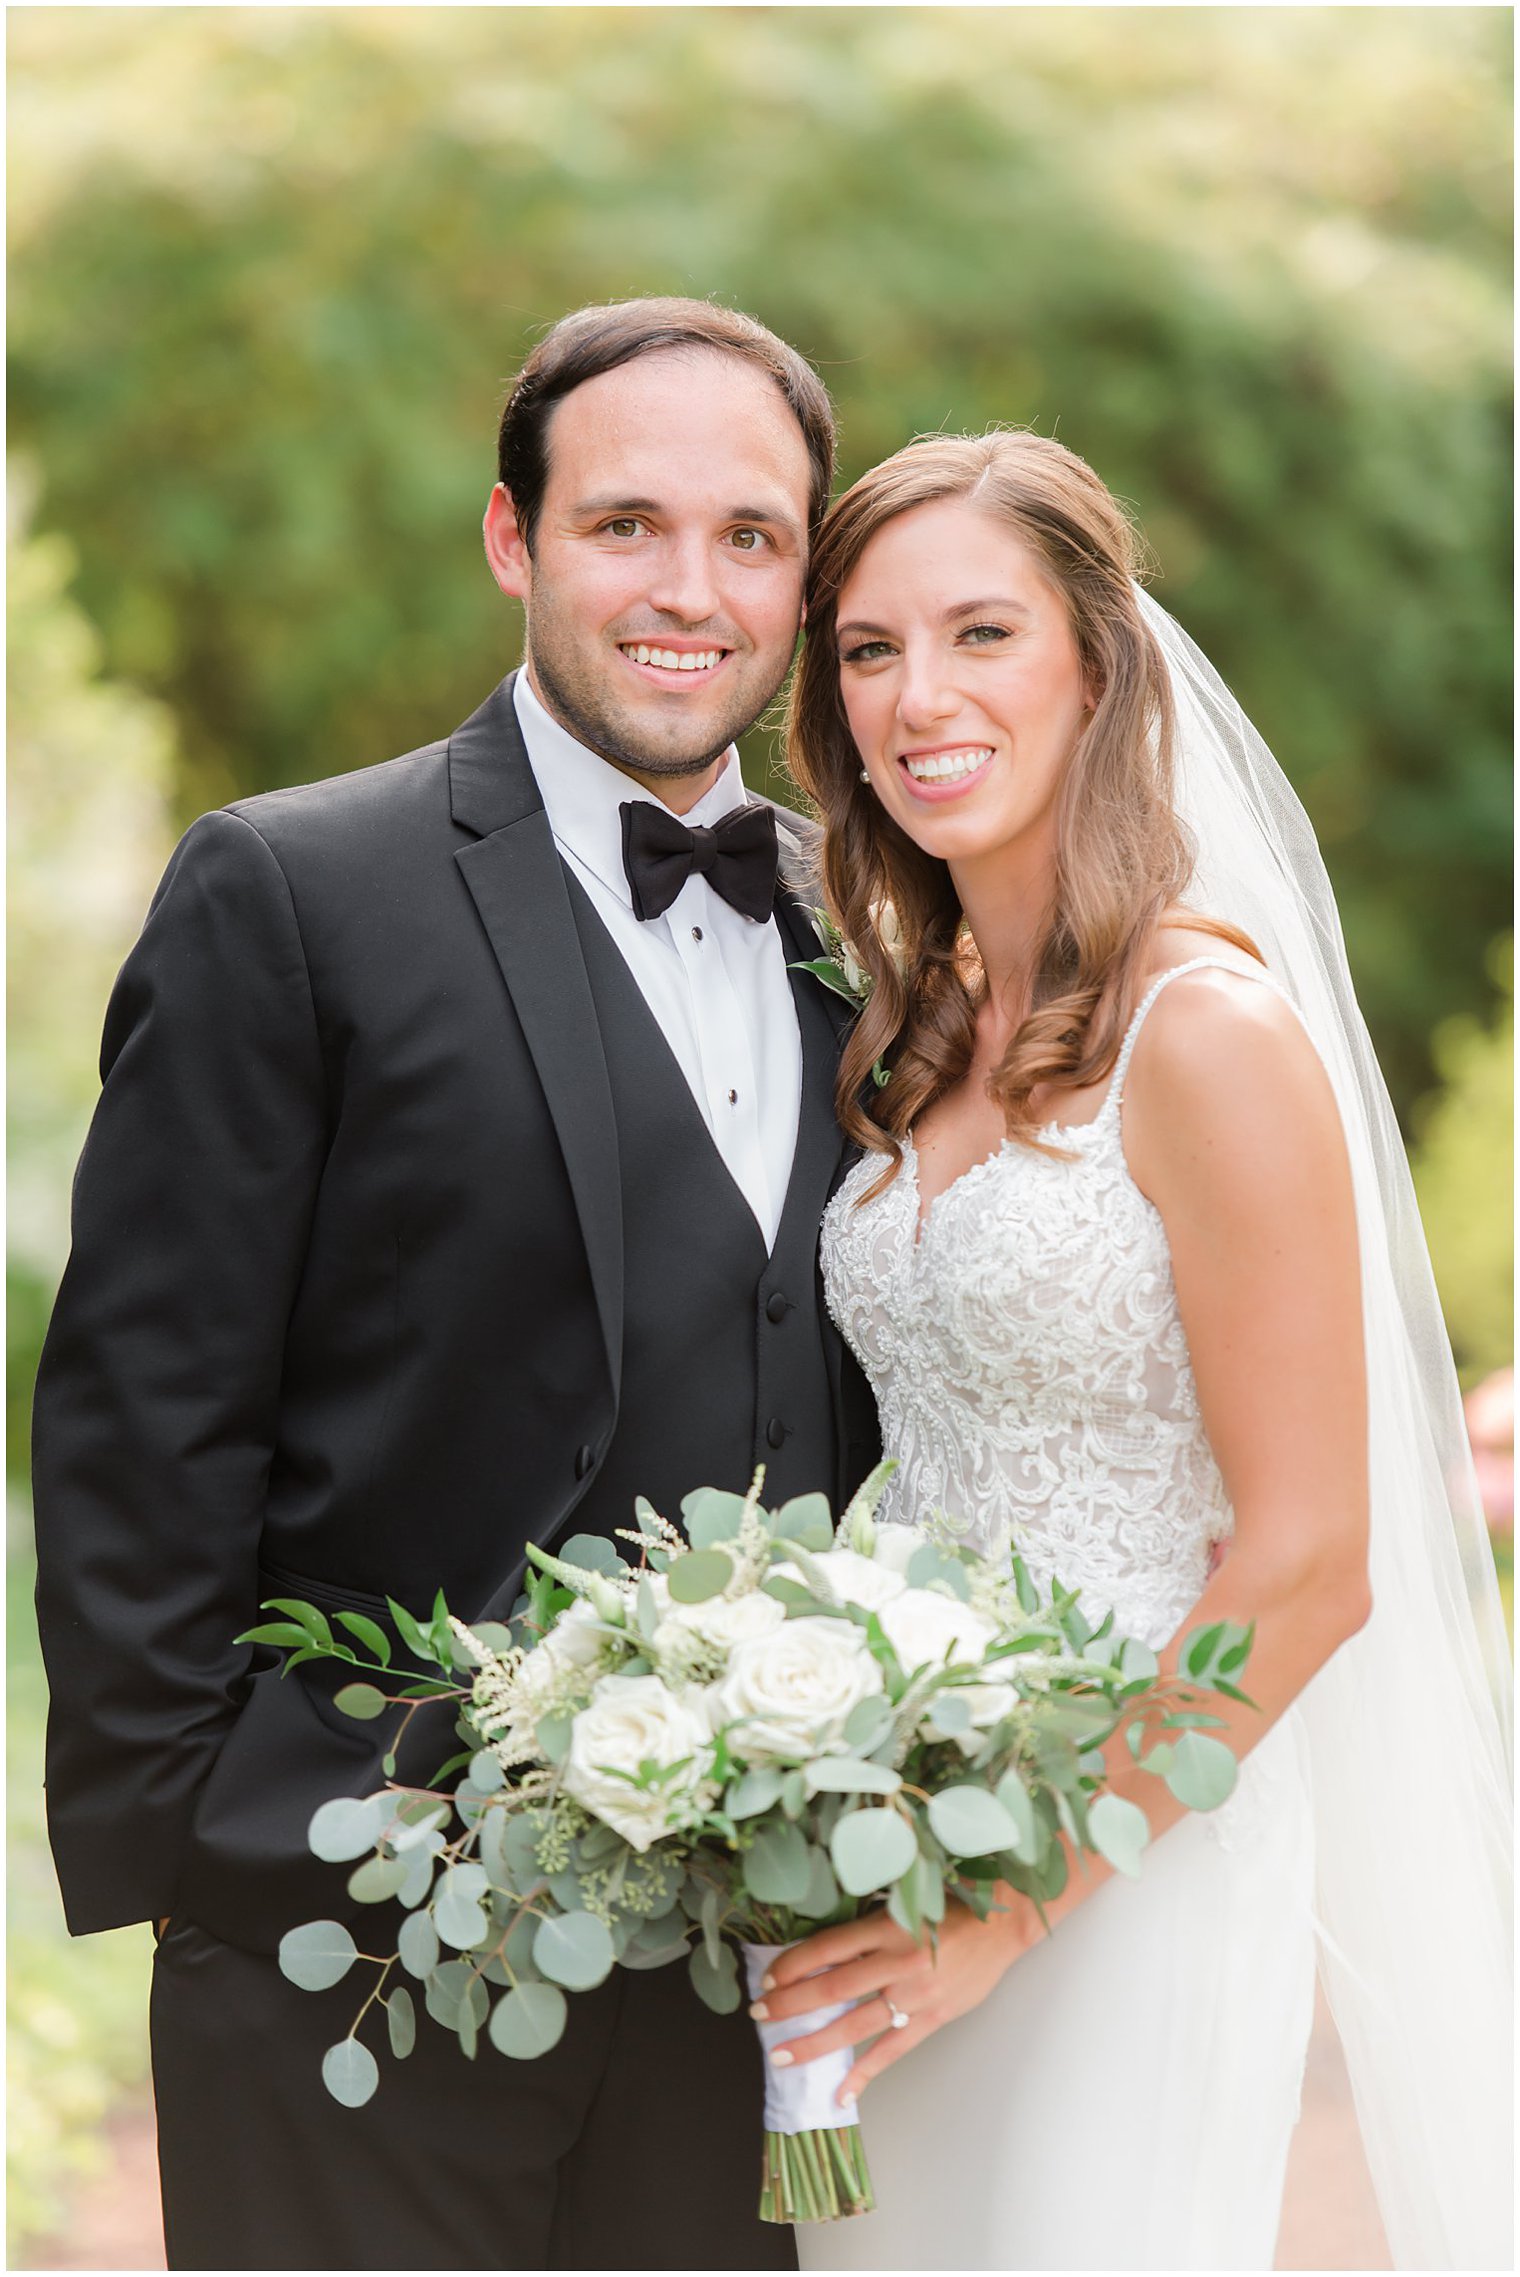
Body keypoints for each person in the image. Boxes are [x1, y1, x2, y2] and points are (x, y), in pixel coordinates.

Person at [31, 297, 878, 2271]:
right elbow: (146, 1417)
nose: (690, 587)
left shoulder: (871, 919)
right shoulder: (292, 891)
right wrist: (216, 1872)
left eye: (751, 534)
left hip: (755, 1988)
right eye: (623, 525)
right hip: (352, 1952)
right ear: (512, 539)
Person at [761, 431, 1512, 2270]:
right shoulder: (909, 1031)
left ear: (1099, 665)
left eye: (980, 634)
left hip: (1121, 1855)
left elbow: (1312, 1563)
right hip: (880, 1843)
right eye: (866, 650)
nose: (917, 696)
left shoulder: (1210, 1030)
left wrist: (1011, 1905)